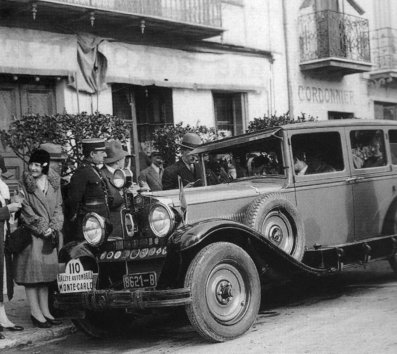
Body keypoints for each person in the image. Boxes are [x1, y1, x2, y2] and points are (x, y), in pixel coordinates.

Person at [13, 149, 63, 328]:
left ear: (44, 165)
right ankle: (35, 312)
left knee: (45, 277)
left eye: (37, 165)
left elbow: (58, 205)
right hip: (32, 236)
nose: (33, 168)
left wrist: (55, 225)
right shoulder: (24, 184)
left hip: (49, 235)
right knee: (32, 277)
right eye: (31, 164)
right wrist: (43, 227)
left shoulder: (53, 183)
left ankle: (45, 311)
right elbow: (25, 210)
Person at [0, 155, 24, 338]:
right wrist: (8, 209)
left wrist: (12, 204)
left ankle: (2, 318)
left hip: (3, 236)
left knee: (2, 280)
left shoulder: (2, 187)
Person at [67, 138, 109, 242]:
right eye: (102, 152)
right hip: (90, 228)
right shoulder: (82, 172)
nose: (105, 155)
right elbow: (73, 201)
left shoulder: (94, 170)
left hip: (99, 224)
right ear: (92, 154)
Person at [100, 140, 129, 236]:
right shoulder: (102, 175)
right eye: (123, 158)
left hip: (124, 224)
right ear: (118, 160)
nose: (125, 160)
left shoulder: (121, 173)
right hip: (113, 227)